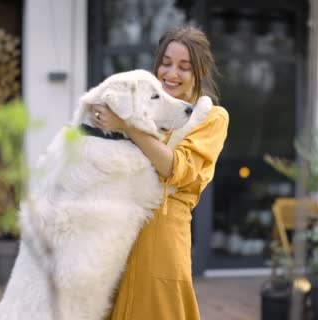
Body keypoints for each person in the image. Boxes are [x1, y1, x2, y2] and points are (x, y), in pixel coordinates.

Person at [91, 25, 229, 320]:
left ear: (200, 72)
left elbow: (175, 167)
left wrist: (126, 124)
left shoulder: (212, 118)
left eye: (184, 67)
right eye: (165, 63)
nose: (171, 74)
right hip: (118, 236)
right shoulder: (145, 108)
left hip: (162, 240)